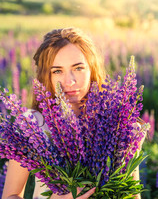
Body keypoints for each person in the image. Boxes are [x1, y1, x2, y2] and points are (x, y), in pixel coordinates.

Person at [2, 27, 143, 199]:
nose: (70, 81)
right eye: (57, 71)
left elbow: (133, 195)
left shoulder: (121, 124)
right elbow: (11, 195)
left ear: (92, 68)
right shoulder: (33, 123)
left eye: (78, 68)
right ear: (47, 76)